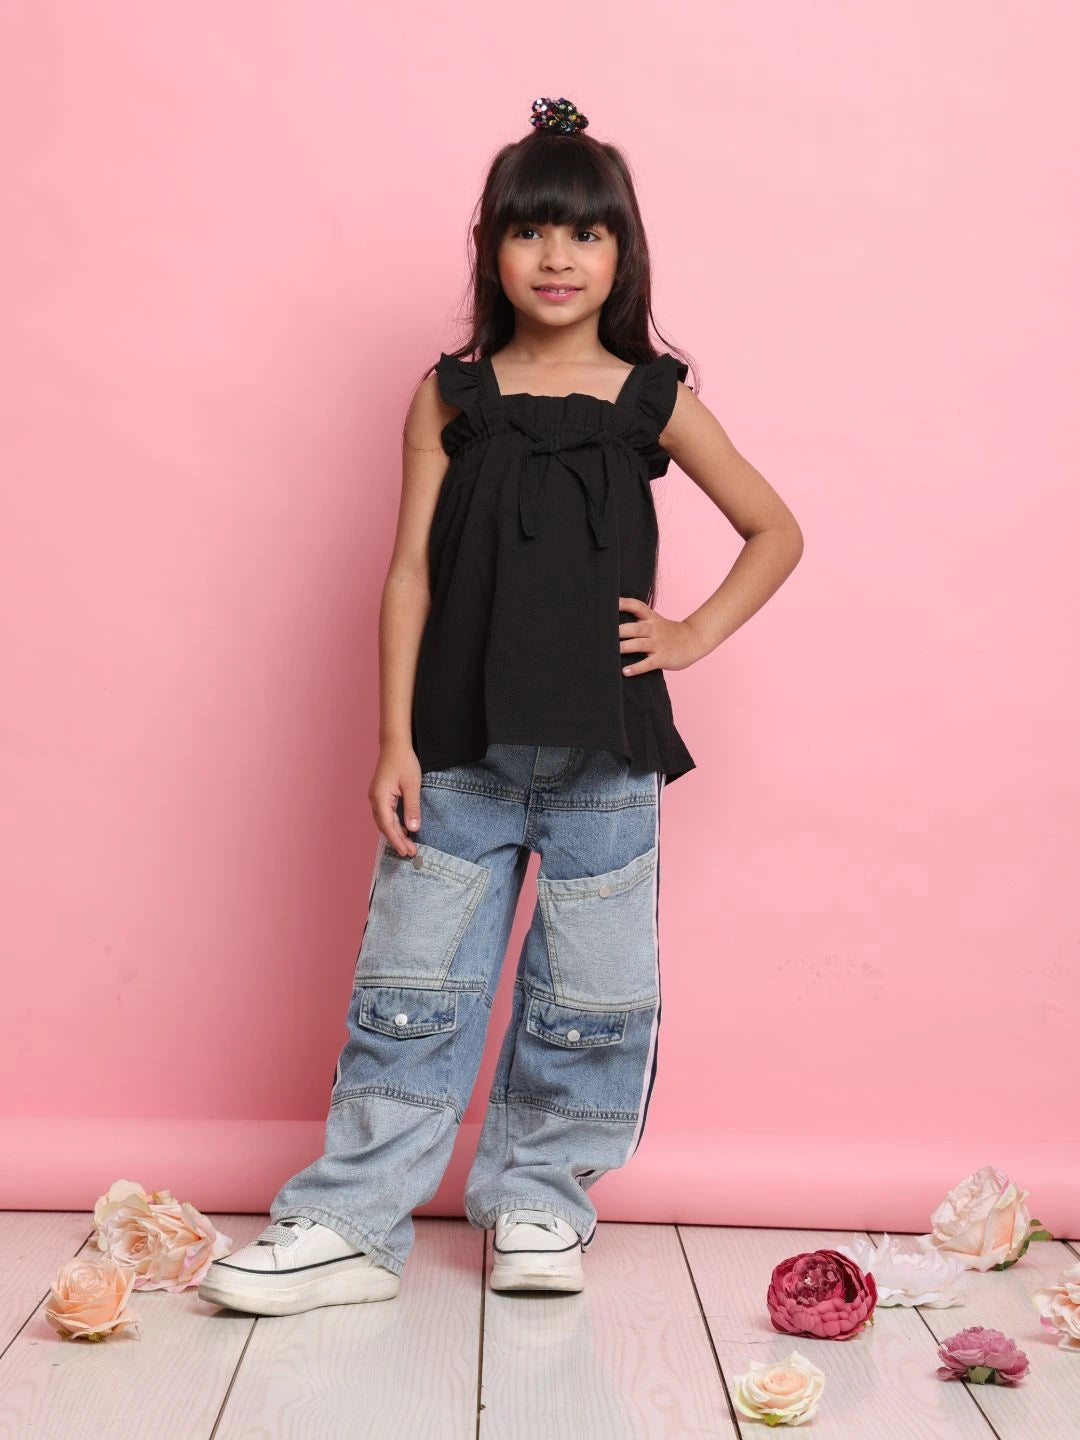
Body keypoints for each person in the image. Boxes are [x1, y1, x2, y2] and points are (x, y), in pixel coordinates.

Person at [198, 95, 803, 1317]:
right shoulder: (450, 395)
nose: (558, 258)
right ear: (492, 248)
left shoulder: (653, 398)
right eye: (531, 233)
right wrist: (390, 739)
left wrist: (687, 635)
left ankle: (540, 1203)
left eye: (584, 235)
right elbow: (409, 568)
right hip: (459, 753)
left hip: (604, 761)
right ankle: (349, 1223)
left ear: (622, 253)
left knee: (588, 998)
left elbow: (774, 529)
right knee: (410, 987)